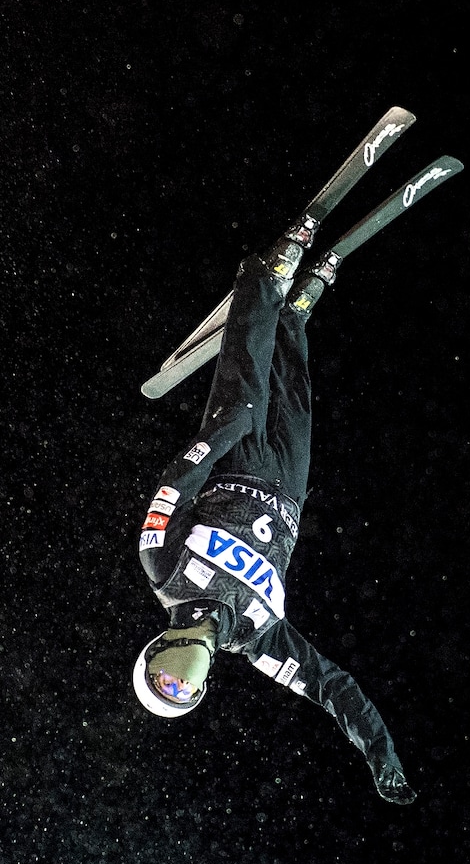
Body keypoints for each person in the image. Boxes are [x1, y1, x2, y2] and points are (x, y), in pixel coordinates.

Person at [133, 235, 417, 805]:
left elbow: (169, 493)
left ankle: (266, 275)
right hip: (287, 487)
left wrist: (212, 441)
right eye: (185, 694)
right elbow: (334, 688)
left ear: (156, 657)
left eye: (168, 683)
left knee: (246, 379)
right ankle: (299, 308)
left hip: (235, 460)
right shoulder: (263, 643)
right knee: (297, 394)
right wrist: (378, 751)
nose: (182, 683)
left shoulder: (165, 573)